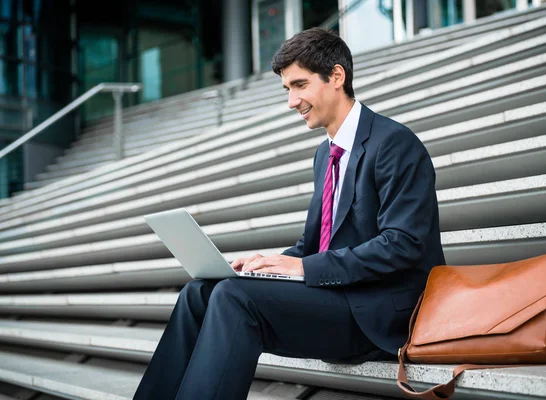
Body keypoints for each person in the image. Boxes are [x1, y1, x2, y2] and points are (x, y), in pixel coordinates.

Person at [133, 27, 445, 400]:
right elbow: (313, 244)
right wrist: (271, 261)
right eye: (287, 89)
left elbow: (403, 244)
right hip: (336, 297)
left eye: (300, 85)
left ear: (336, 77)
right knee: (199, 292)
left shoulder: (394, 144)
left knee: (234, 298)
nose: (291, 101)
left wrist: (304, 267)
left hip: (377, 314)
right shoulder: (324, 155)